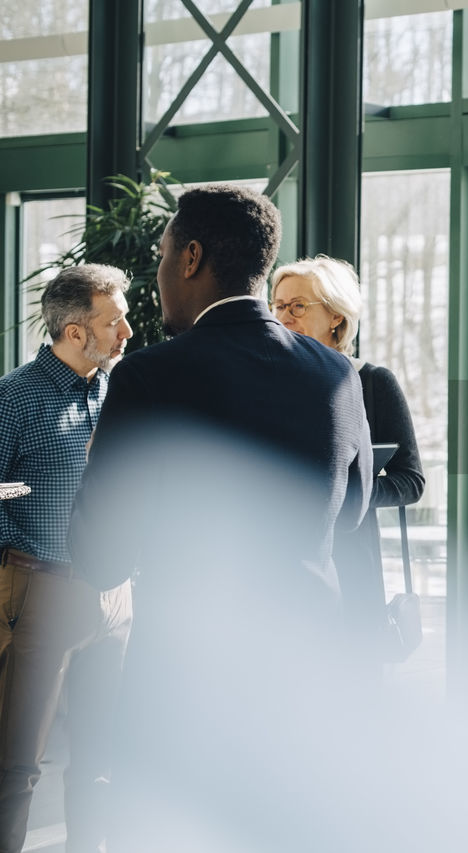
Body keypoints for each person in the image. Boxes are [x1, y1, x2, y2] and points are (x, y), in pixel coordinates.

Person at [68, 185, 373, 852]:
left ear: (192, 257)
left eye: (163, 253)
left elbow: (99, 554)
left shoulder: (149, 376)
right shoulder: (337, 374)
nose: (159, 270)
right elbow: (349, 515)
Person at [0, 265, 133, 853]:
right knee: (17, 763)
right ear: (76, 333)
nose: (127, 329)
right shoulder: (16, 396)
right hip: (42, 591)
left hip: (115, 596)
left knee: (101, 756)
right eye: (114, 320)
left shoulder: (118, 390)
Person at [269, 256, 424, 662]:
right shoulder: (264, 382)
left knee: (353, 694)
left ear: (336, 317)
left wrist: (345, 490)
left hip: (351, 567)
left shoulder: (373, 383)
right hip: (277, 570)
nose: (284, 316)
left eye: (298, 306)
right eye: (278, 305)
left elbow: (411, 481)